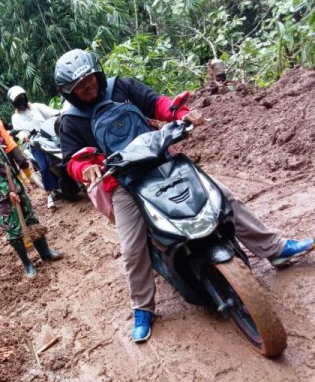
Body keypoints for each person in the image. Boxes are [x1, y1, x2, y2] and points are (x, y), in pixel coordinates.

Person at [54, 48, 313, 343]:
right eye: (80, 87)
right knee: (131, 246)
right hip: (123, 182)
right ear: (70, 93)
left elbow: (157, 104)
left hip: (164, 159)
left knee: (223, 198)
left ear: (97, 73)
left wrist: (180, 113)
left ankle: (275, 249)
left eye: (90, 80)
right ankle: (143, 307)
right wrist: (85, 168)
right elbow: (72, 160)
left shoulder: (121, 86)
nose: (89, 88)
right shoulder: (70, 121)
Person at [0, 100, 64, 278]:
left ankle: (45, 253)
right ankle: (28, 265)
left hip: (13, 185)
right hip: (4, 194)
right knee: (14, 230)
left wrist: (15, 188)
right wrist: (8, 192)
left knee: (31, 219)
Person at [7, 85, 61, 209]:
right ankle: (49, 194)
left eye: (22, 97)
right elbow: (18, 131)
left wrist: (59, 113)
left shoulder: (36, 107)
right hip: (35, 144)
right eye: (18, 99)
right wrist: (24, 136)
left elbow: (51, 112)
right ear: (13, 103)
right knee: (44, 167)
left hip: (50, 137)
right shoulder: (15, 117)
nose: (21, 100)